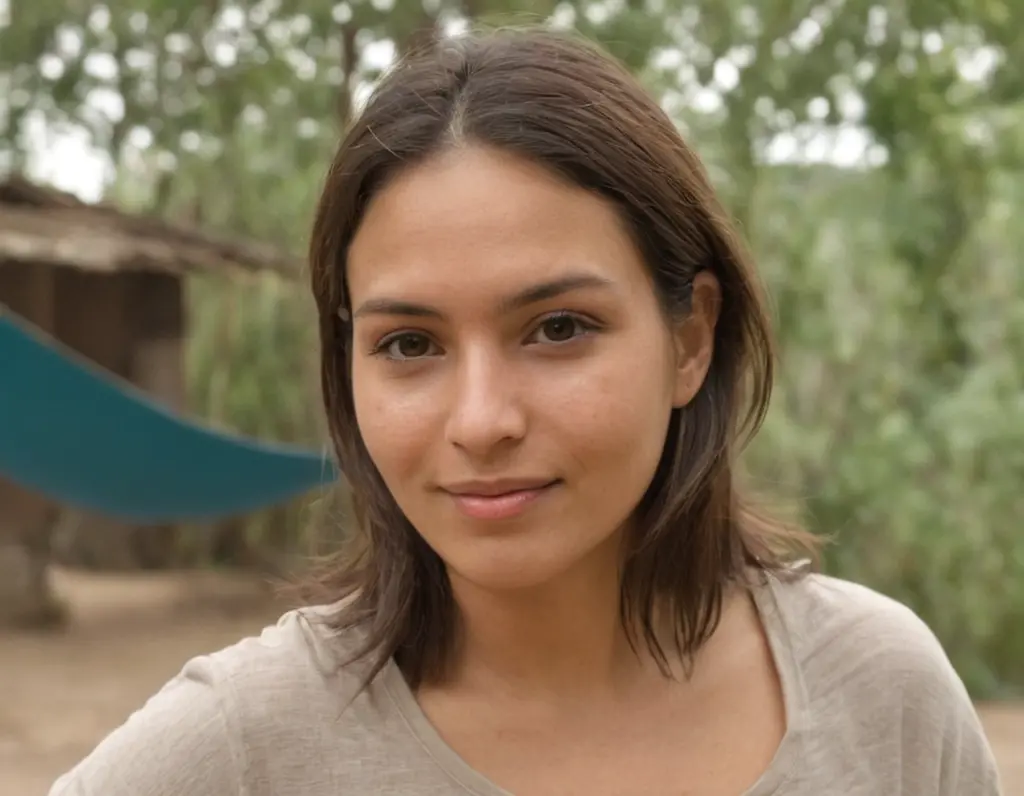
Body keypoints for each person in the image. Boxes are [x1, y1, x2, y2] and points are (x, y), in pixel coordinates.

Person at [49, 28, 1001, 796]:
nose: (481, 420)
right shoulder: (248, 745)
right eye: (409, 344)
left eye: (557, 328)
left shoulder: (880, 695)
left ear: (690, 339)